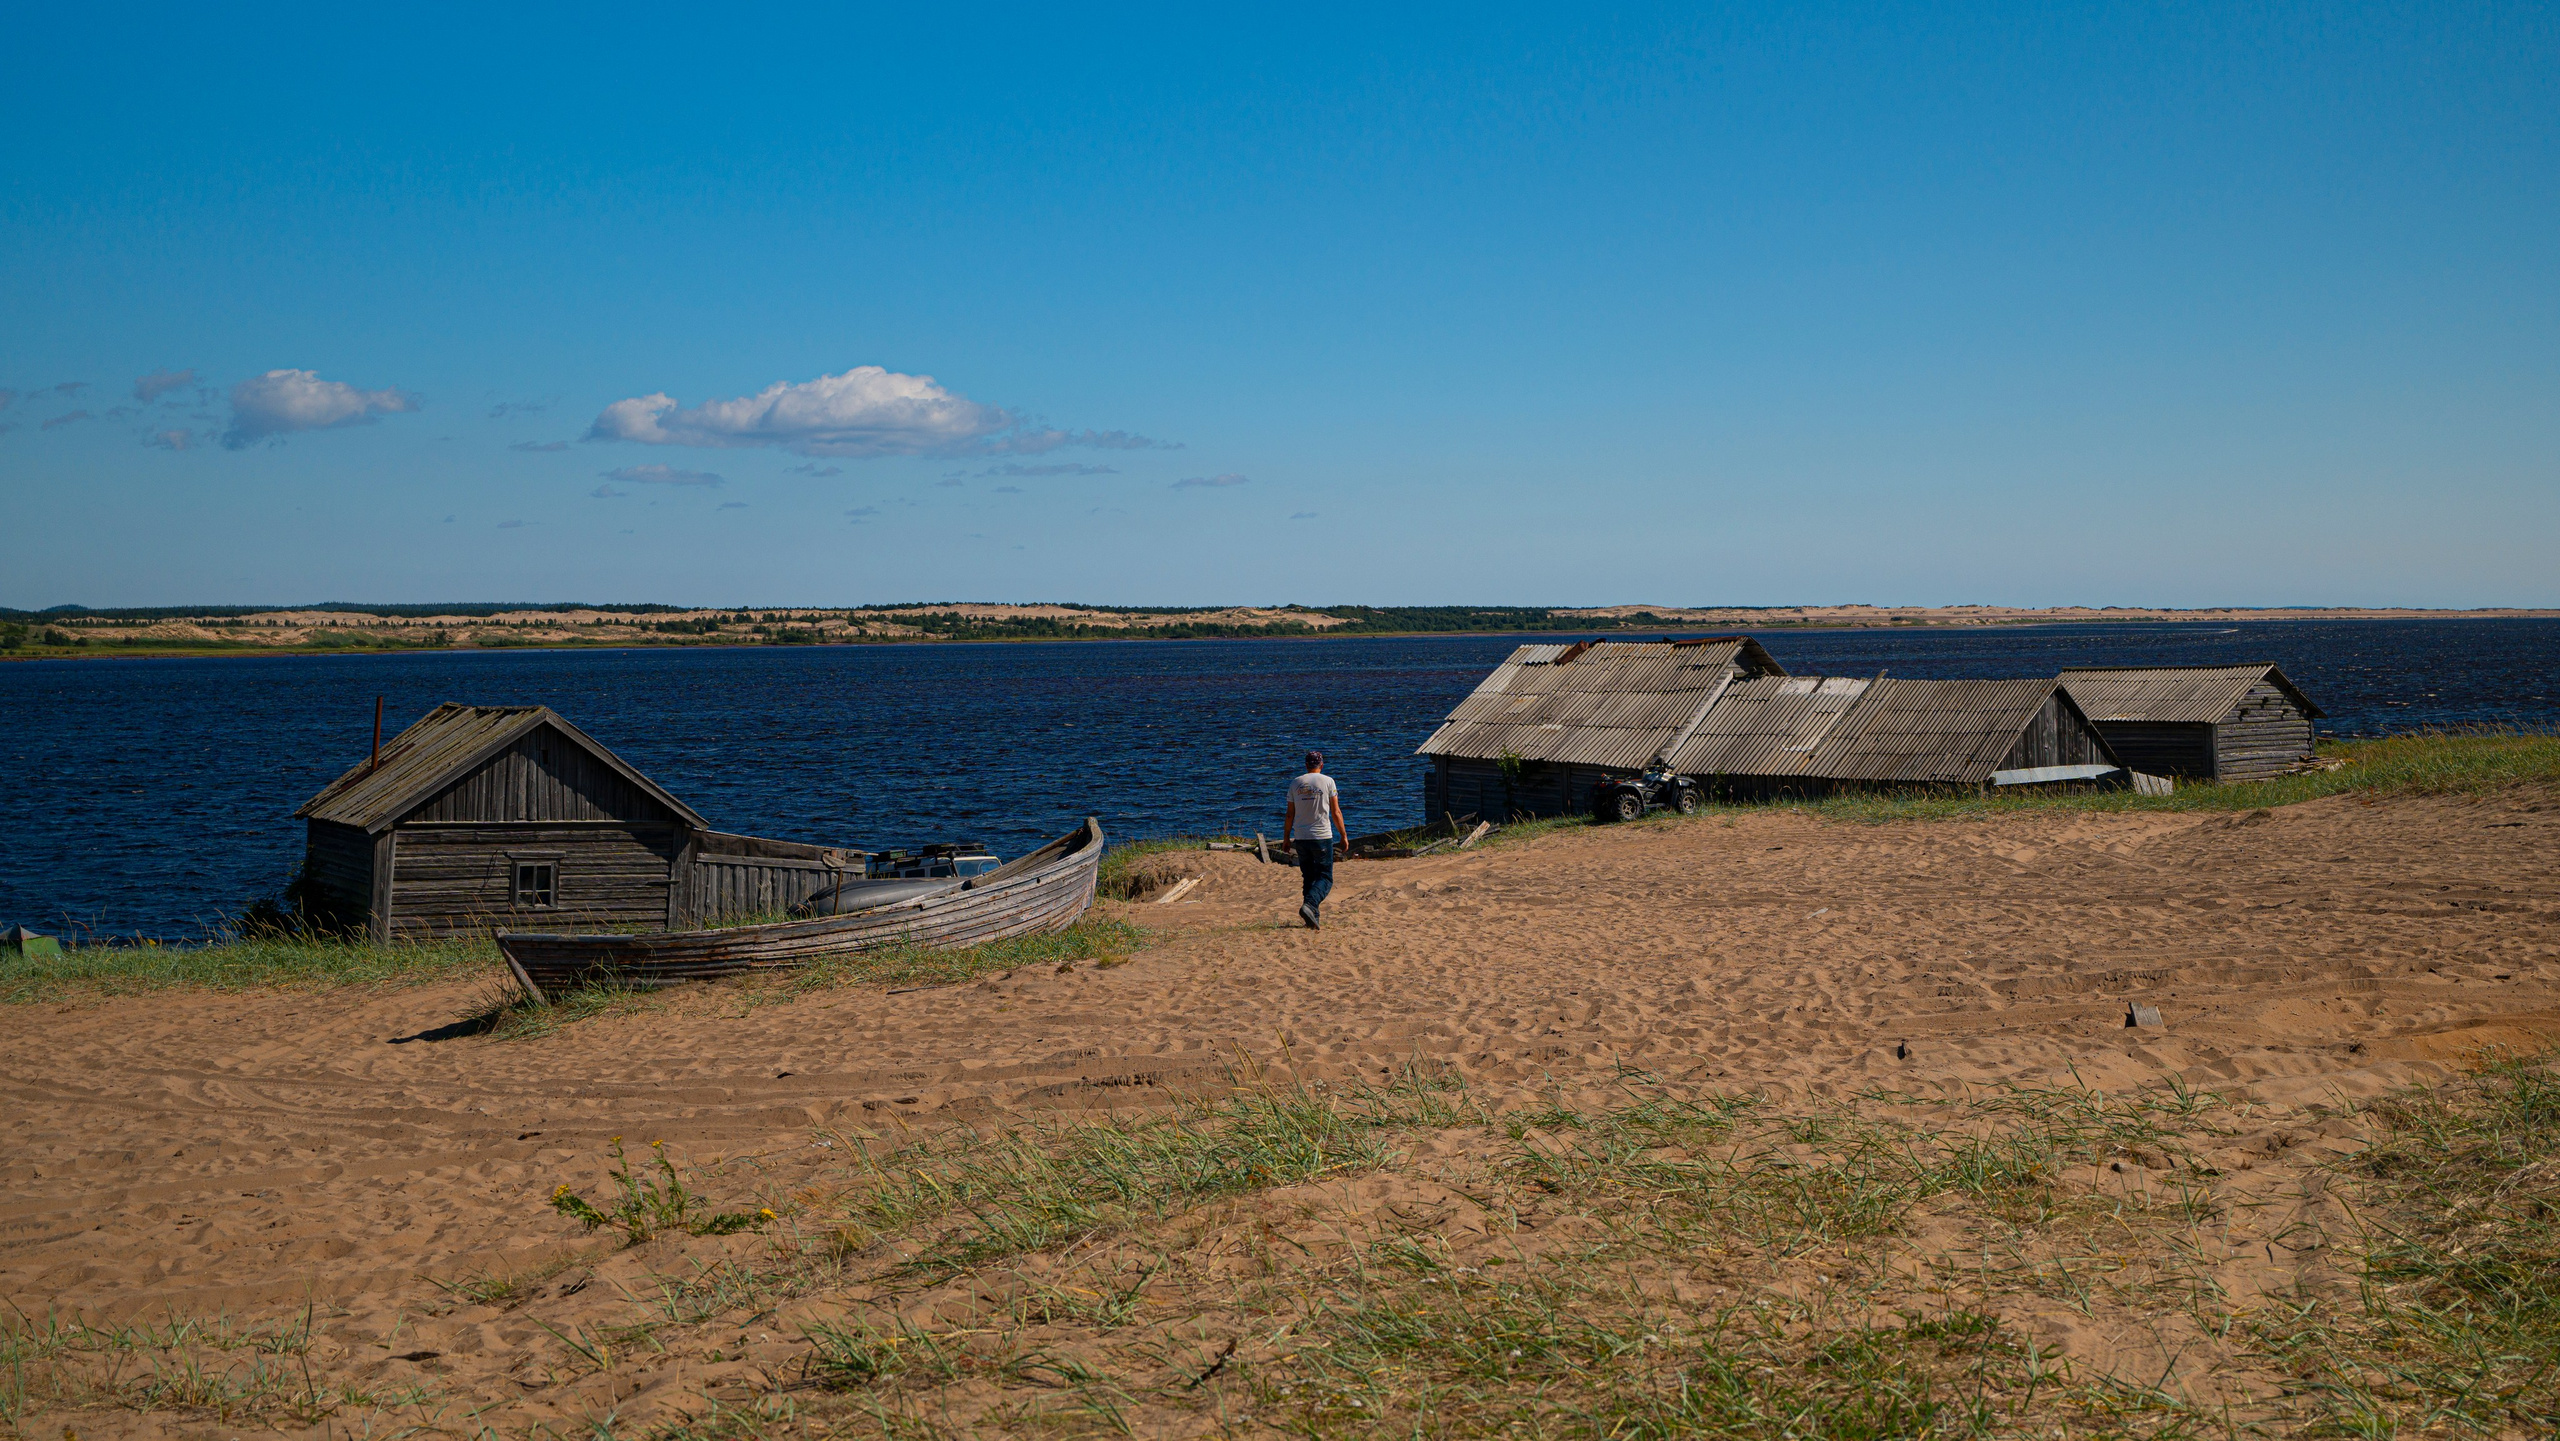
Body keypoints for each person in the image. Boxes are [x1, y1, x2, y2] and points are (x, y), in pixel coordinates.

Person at [1282, 749, 1347, 929]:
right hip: (1321, 836)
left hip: (1301, 837)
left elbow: (1289, 814)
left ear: (1306, 765)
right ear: (1321, 765)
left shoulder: (1296, 783)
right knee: (1325, 877)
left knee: (1309, 877)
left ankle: (1312, 918)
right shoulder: (1328, 781)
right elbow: (1336, 811)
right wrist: (1343, 834)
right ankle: (1310, 906)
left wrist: (1286, 838)